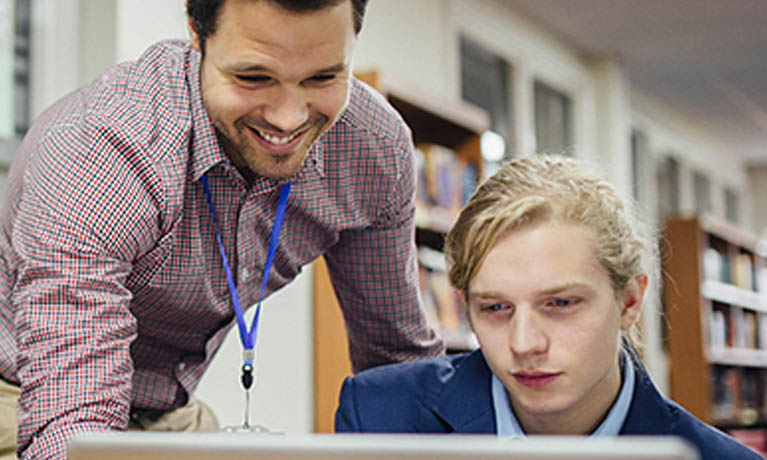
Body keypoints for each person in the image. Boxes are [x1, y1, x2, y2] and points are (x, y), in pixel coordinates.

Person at [0, 0, 445, 458]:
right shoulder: (102, 153)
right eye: (254, 78)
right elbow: (72, 426)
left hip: (165, 413)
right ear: (196, 33)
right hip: (25, 398)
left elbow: (400, 367)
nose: (288, 119)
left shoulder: (373, 147)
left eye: (322, 77)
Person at [335, 155, 762, 460]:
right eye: (496, 308)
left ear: (629, 301)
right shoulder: (379, 415)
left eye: (560, 303)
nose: (524, 344)